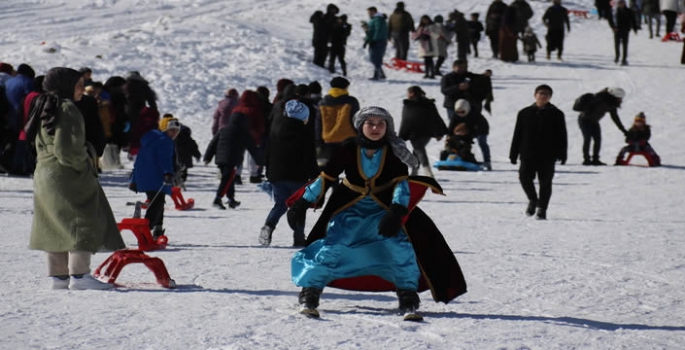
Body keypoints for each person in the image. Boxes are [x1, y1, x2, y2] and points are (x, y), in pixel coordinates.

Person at [288, 106, 467, 318]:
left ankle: (407, 293)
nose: (375, 127)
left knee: (399, 245)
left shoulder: (393, 152)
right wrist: (303, 202)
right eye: (370, 123)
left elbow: (401, 185)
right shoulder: (348, 149)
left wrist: (397, 211)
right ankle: (311, 290)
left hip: (382, 210)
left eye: (381, 124)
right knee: (333, 246)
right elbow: (327, 177)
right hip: (349, 208)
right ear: (360, 125)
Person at [26, 67, 125, 290]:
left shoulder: (42, 104)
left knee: (54, 223)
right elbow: (67, 149)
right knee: (83, 220)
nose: (83, 89)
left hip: (44, 173)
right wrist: (85, 164)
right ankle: (80, 276)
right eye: (79, 85)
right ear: (66, 86)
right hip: (67, 175)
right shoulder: (67, 108)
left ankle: (58, 277)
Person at [259, 100, 318, 247]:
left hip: (277, 175)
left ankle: (269, 225)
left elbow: (268, 153)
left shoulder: (275, 129)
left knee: (280, 204)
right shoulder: (305, 132)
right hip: (298, 176)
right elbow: (310, 157)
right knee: (299, 206)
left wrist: (269, 172)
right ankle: (298, 237)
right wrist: (315, 175)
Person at [509, 85, 567, 220]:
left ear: (550, 97)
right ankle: (533, 199)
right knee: (524, 177)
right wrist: (513, 153)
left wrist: (562, 153)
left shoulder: (557, 114)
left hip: (548, 154)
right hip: (527, 152)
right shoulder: (525, 113)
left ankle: (542, 209)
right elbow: (517, 134)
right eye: (541, 93)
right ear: (535, 95)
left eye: (547, 94)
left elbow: (562, 136)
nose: (544, 96)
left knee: (545, 182)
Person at [204, 90, 264, 210]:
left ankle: (231, 199)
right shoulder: (244, 132)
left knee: (229, 178)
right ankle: (218, 198)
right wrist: (259, 161)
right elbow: (252, 148)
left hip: (220, 158)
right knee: (227, 178)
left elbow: (212, 143)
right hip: (232, 158)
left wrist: (207, 157)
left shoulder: (223, 129)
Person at [129, 116, 180, 238]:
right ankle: (146, 230)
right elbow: (165, 159)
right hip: (156, 177)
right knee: (157, 202)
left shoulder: (151, 139)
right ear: (164, 129)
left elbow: (138, 161)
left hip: (144, 176)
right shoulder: (165, 141)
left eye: (176, 131)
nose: (174, 133)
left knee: (158, 201)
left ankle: (157, 229)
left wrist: (134, 179)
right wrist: (168, 173)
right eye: (171, 129)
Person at [399, 86, 448, 177]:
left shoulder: (409, 105)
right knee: (417, 150)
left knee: (419, 150)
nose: (407, 95)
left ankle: (428, 172)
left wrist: (402, 135)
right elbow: (437, 118)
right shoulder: (429, 104)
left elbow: (406, 120)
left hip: (414, 133)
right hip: (427, 132)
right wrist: (440, 132)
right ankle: (414, 171)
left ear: (412, 93)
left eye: (408, 93)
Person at [315, 77, 360, 169]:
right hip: (348, 139)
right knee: (351, 168)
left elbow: (319, 124)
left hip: (329, 139)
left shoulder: (323, 102)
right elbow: (356, 120)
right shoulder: (351, 101)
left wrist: (318, 141)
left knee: (332, 169)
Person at [577, 87, 628, 165]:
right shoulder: (600, 98)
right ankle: (586, 160)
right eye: (619, 98)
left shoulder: (612, 105)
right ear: (615, 96)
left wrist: (623, 130)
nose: (620, 100)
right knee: (587, 139)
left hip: (594, 121)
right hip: (584, 120)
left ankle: (595, 159)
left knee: (598, 139)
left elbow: (615, 118)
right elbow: (589, 103)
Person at [609, 0, 639, 66]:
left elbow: (632, 20)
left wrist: (635, 28)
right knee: (617, 44)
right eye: (620, 3)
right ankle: (617, 57)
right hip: (617, 30)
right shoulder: (615, 11)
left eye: (623, 3)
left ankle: (624, 59)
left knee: (625, 45)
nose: (621, 4)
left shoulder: (629, 11)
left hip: (625, 30)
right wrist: (613, 27)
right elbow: (610, 19)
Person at [364, 6, 389, 80]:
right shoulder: (374, 19)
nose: (369, 14)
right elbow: (371, 31)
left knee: (376, 57)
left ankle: (377, 75)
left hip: (378, 41)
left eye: (370, 12)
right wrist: (367, 39)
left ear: (374, 12)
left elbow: (377, 30)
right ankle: (381, 74)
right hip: (376, 41)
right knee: (374, 57)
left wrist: (374, 39)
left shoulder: (378, 19)